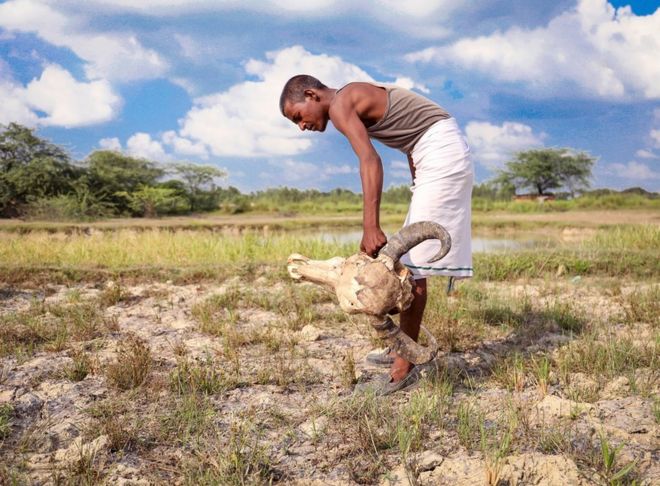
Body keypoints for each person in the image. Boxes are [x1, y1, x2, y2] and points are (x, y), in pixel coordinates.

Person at [279, 74, 473, 394]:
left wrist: (371, 226)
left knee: (414, 265)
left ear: (311, 95)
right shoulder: (352, 97)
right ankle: (401, 351)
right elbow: (417, 125)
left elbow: (370, 160)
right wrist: (418, 174)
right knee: (410, 261)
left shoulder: (341, 104)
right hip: (435, 153)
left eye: (298, 116)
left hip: (441, 153)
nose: (301, 126)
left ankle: (404, 366)